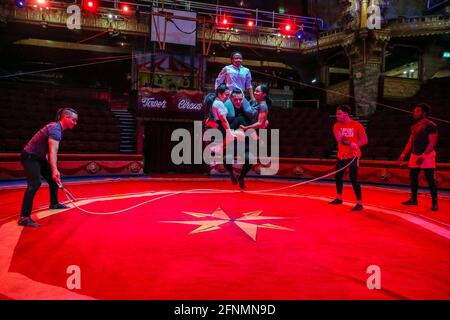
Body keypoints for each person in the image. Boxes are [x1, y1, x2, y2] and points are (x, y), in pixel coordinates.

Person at [18, 107, 78, 227]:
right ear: (65, 117)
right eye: (74, 120)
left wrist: (52, 170)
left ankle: (54, 203)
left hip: (39, 157)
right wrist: (55, 169)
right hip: (30, 157)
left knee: (53, 180)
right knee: (35, 183)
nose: (75, 123)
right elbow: (53, 151)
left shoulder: (56, 128)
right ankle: (24, 217)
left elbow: (46, 148)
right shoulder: (55, 129)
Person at [398, 103, 439, 211]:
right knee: (413, 178)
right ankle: (413, 199)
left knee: (430, 179)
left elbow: (432, 143)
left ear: (424, 113)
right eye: (414, 111)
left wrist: (424, 155)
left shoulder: (431, 125)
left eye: (417, 111)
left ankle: (435, 203)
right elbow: (410, 142)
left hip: (427, 155)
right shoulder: (415, 125)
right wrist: (403, 154)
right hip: (414, 154)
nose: (414, 113)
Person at [329, 104, 368, 211]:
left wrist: (357, 145)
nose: (337, 116)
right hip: (341, 156)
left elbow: (365, 140)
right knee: (338, 177)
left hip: (354, 156)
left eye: (339, 114)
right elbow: (340, 139)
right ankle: (339, 198)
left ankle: (359, 203)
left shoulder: (357, 125)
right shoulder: (337, 126)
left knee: (353, 178)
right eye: (337, 114)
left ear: (346, 114)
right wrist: (351, 144)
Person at [214, 51, 256, 120]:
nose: (238, 60)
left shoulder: (246, 70)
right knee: (231, 116)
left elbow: (249, 86)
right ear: (232, 60)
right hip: (229, 96)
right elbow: (218, 81)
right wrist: (218, 94)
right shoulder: (227, 68)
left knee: (249, 112)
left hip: (240, 96)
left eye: (240, 58)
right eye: (236, 58)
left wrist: (252, 98)